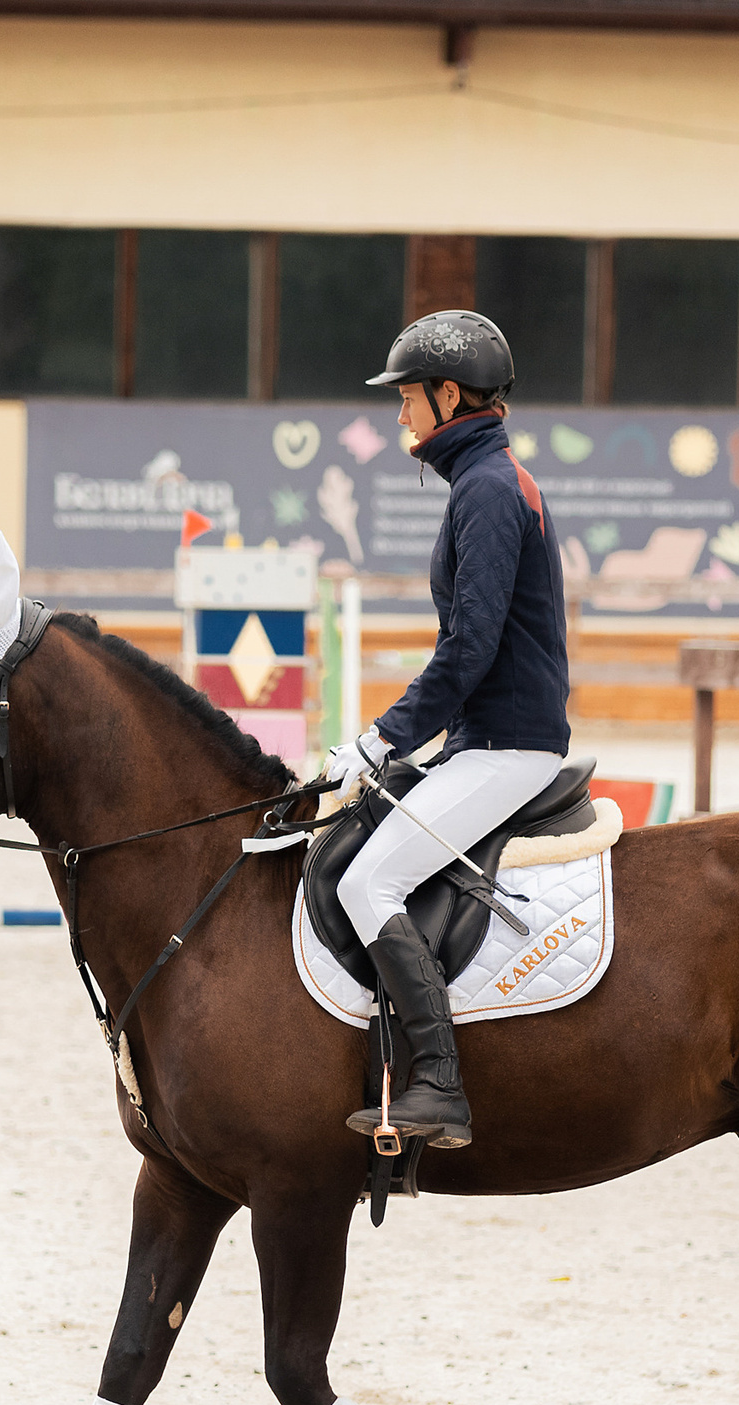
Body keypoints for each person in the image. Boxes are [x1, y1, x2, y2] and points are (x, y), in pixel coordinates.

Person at [320, 309, 570, 1151]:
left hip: (509, 747)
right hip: (486, 738)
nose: (400, 415)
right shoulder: (486, 480)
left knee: (367, 884)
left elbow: (469, 648)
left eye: (407, 398)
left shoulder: (491, 490)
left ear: (448, 394)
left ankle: (437, 1084)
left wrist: (380, 739)